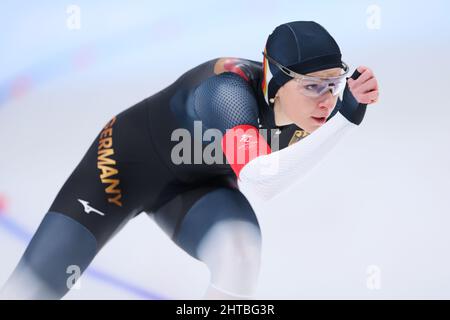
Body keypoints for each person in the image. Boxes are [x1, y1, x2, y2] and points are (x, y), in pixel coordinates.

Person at [0, 21, 379, 299]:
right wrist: (345, 121)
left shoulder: (322, 105)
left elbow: (325, 117)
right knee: (30, 292)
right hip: (123, 168)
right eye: (313, 86)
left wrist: (342, 111)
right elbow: (263, 180)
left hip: (200, 184)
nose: (327, 99)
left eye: (334, 83)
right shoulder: (227, 93)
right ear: (274, 82)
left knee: (239, 251)